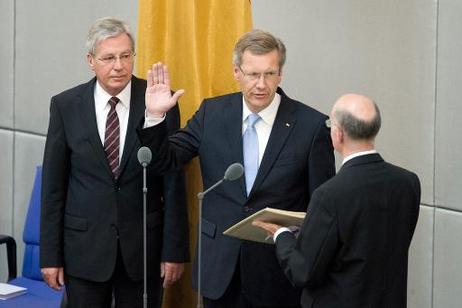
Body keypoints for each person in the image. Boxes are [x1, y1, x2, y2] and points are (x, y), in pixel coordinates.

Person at [140, 29, 336, 308]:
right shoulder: (212, 113)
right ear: (236, 72)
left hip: (279, 273)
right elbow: (164, 160)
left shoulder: (311, 126)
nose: (261, 84)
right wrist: (156, 116)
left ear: (280, 74)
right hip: (219, 268)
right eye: (253, 74)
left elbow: (322, 206)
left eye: (269, 74)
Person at [40, 17, 189, 308]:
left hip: (143, 251)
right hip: (84, 248)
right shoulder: (66, 105)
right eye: (108, 58)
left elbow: (172, 181)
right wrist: (50, 256)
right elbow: (53, 187)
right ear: (91, 60)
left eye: (125, 56)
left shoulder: (159, 101)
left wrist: (173, 250)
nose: (118, 66)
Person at [253, 93, 421, 308]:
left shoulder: (329, 194)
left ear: (338, 134)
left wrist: (281, 234)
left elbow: (302, 272)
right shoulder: (408, 183)